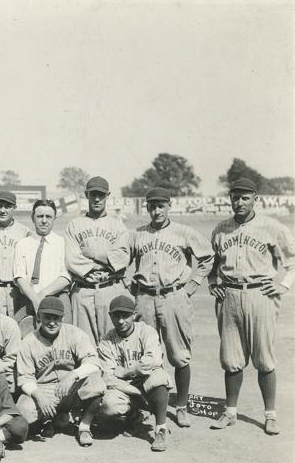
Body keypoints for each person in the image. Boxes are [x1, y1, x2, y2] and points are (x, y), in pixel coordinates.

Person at [106, 187, 214, 428]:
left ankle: (182, 407)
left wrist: (193, 285)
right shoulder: (137, 234)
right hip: (144, 298)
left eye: (161, 206)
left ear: (169, 206)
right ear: (147, 208)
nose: (156, 211)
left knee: (179, 354)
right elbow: (118, 258)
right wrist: (127, 284)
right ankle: (150, 407)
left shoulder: (184, 232)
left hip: (174, 297)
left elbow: (207, 257)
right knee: (147, 354)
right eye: (152, 206)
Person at [208, 178, 295, 435]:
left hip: (261, 295)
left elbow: (292, 261)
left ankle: (270, 416)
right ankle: (230, 412)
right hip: (230, 296)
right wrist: (213, 285)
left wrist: (284, 285)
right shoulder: (221, 229)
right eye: (235, 197)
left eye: (245, 198)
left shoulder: (272, 227)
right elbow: (212, 268)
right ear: (230, 199)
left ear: (255, 199)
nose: (239, 202)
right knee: (231, 358)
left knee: (264, 358)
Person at [16, 297, 105, 447]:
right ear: (39, 317)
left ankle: (84, 427)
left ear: (62, 318)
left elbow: (94, 362)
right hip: (45, 389)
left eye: (56, 318)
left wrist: (73, 375)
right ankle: (52, 420)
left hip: (72, 386)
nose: (52, 322)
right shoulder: (28, 342)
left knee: (97, 383)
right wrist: (39, 396)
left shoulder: (74, 333)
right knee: (23, 410)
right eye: (47, 317)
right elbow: (25, 378)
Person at [97, 295, 172, 452]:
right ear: (110, 316)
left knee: (159, 376)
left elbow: (153, 361)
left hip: (145, 381)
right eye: (116, 316)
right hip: (125, 388)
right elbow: (108, 377)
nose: (121, 321)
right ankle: (135, 415)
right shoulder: (106, 341)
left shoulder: (146, 331)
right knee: (108, 405)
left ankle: (161, 429)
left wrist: (125, 371)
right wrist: (135, 383)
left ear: (134, 314)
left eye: (125, 315)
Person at [64, 176, 129, 346]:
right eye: (93, 194)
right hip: (83, 290)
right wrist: (98, 265)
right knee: (84, 345)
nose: (97, 199)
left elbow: (122, 257)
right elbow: (71, 258)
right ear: (87, 195)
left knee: (113, 343)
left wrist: (92, 254)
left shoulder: (118, 225)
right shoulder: (74, 224)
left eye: (101, 195)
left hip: (110, 288)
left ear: (108, 195)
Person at [13, 199, 72, 336]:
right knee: (23, 337)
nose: (44, 221)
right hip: (28, 300)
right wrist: (34, 299)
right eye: (40, 216)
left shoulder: (62, 243)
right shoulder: (22, 244)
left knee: (61, 339)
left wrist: (42, 295)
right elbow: (19, 276)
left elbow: (66, 276)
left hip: (56, 299)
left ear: (54, 218)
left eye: (48, 217)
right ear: (32, 218)